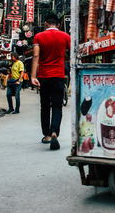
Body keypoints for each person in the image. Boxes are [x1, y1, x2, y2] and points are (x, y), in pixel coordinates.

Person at [31, 13, 70, 150]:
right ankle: (54, 132)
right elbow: (74, 52)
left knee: (45, 106)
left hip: (44, 76)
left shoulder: (38, 37)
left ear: (45, 23)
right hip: (59, 76)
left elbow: (35, 55)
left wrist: (33, 76)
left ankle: (47, 135)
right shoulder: (65, 36)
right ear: (58, 25)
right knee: (57, 106)